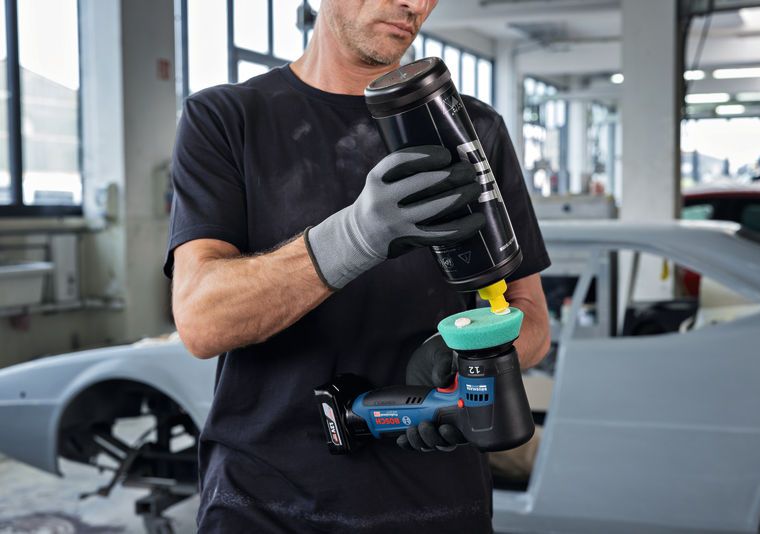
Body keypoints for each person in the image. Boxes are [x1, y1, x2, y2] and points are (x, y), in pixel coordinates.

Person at [164, 0, 551, 531]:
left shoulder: (472, 130)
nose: (415, 3)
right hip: (263, 504)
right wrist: (358, 235)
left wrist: (473, 358)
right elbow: (202, 321)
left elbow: (532, 317)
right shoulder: (226, 119)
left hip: (438, 503)